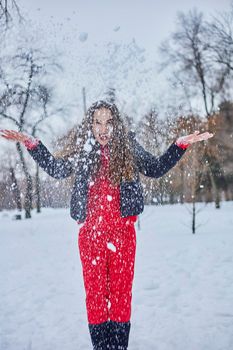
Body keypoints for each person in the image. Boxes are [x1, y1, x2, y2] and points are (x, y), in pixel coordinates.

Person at [0, 100, 213, 349]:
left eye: (109, 122)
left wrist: (180, 144)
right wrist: (31, 143)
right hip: (91, 237)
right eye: (97, 122)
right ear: (90, 125)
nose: (103, 129)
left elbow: (155, 168)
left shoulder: (128, 149)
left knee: (122, 296)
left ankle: (119, 346)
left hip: (123, 236)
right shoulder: (83, 151)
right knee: (96, 297)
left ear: (117, 125)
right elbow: (57, 168)